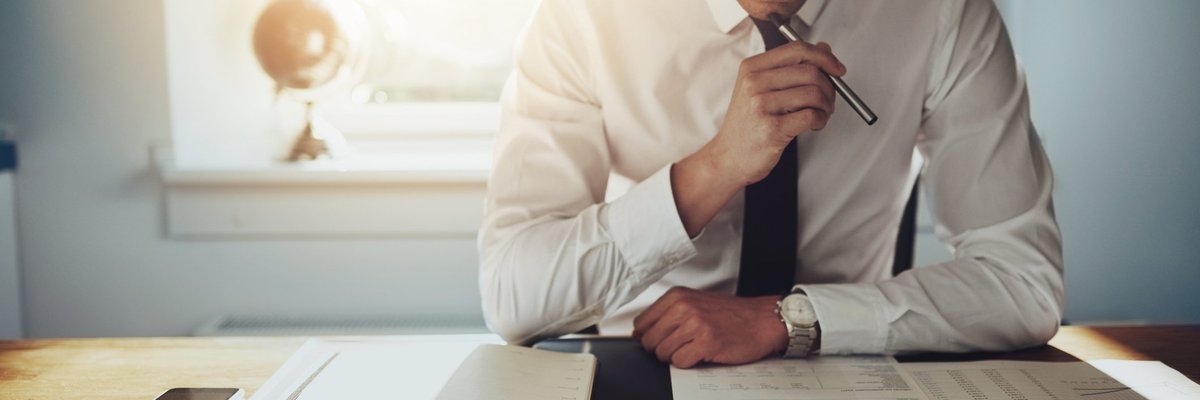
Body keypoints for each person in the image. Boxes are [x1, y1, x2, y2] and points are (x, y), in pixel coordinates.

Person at [478, 0, 1063, 368]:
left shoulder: (943, 13)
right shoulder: (581, 16)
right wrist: (716, 168)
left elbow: (1023, 282)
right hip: (642, 362)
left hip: (847, 359)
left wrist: (790, 319)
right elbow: (514, 293)